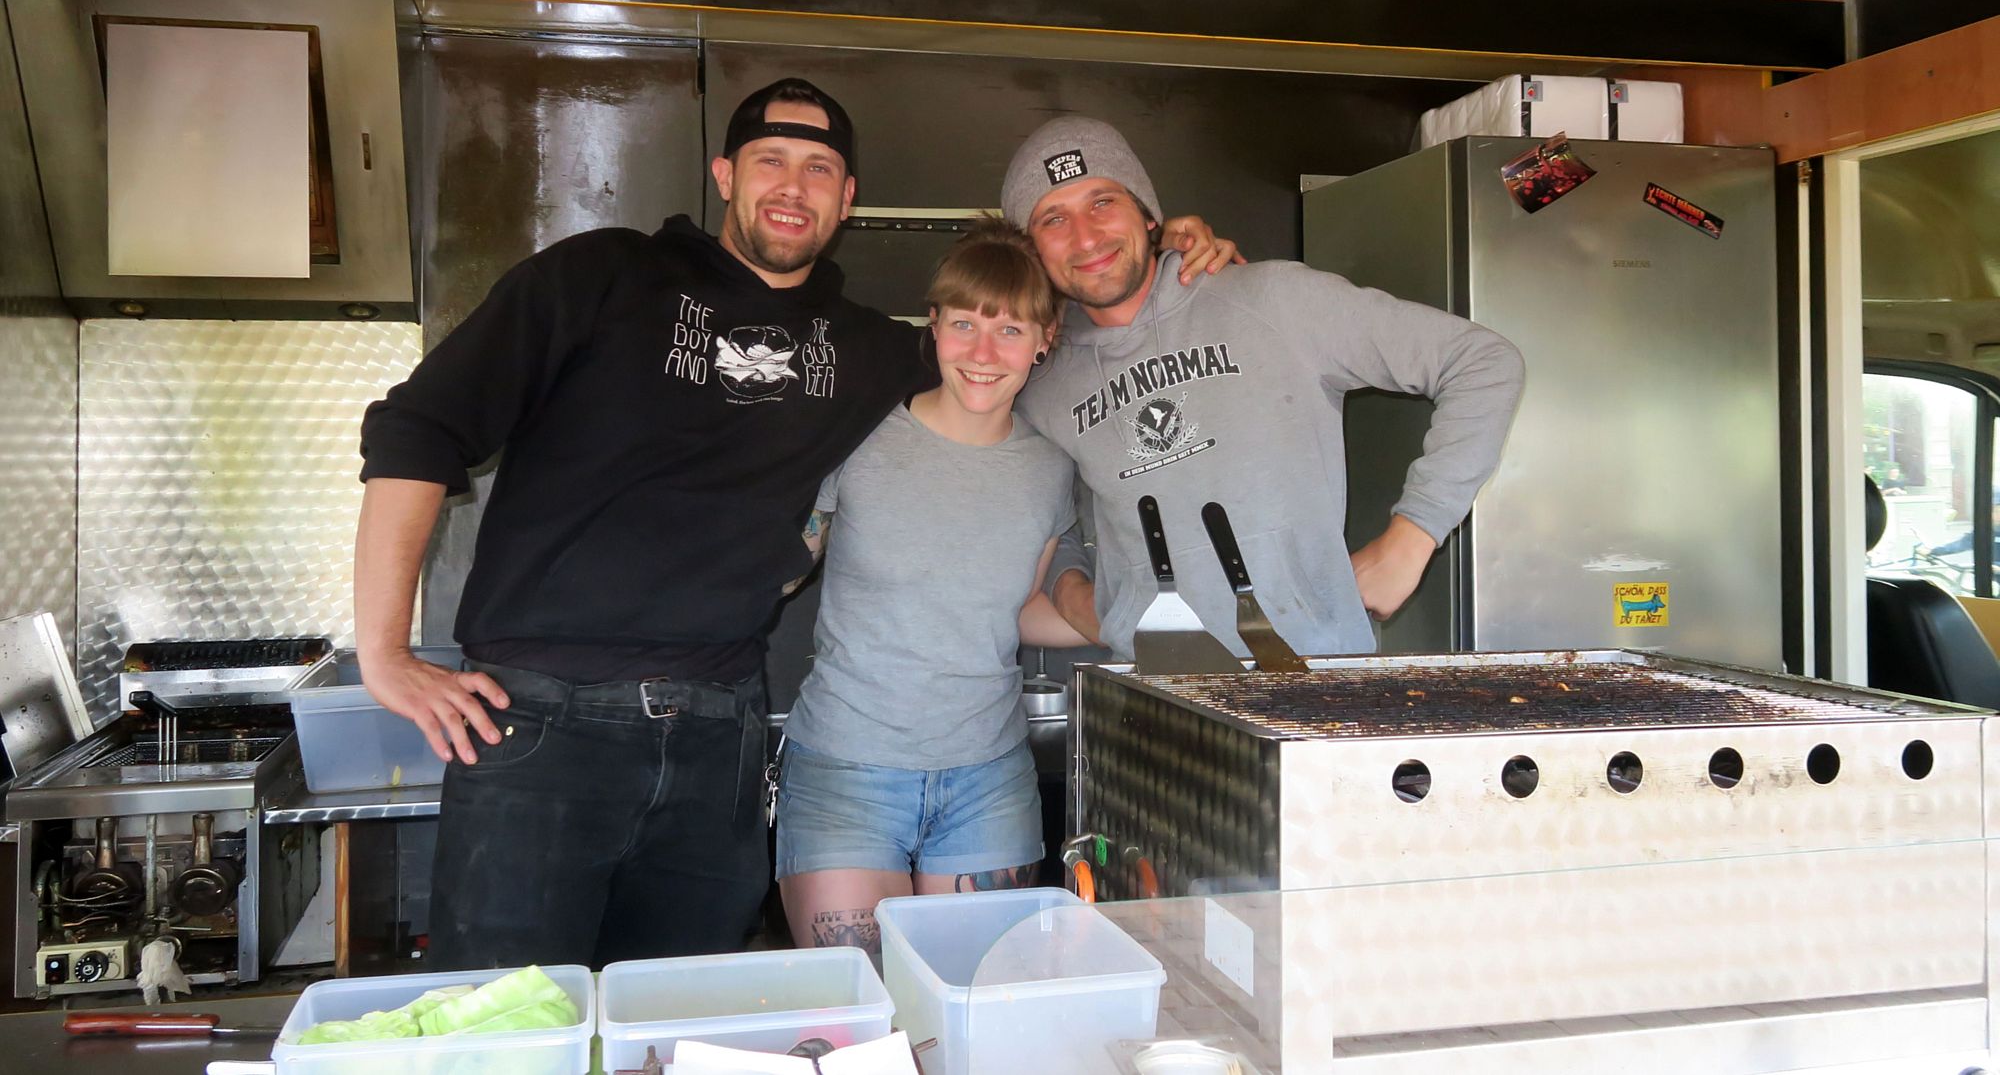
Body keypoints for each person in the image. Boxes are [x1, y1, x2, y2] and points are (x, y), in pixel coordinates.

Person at [354, 79, 1238, 969]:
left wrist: (1167, 262)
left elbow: (1012, 337)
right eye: (770, 160)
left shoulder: (866, 351)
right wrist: (384, 652)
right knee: (505, 1016)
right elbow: (418, 427)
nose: (792, 185)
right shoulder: (602, 275)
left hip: (718, 732)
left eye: (818, 168)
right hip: (544, 718)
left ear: (846, 197)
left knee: (681, 1016)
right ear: (724, 175)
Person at [999, 116, 1526, 660]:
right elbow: (1050, 514)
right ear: (1032, 249)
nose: (1086, 236)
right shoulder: (1040, 380)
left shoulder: (1273, 299)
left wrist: (1412, 536)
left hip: (1315, 680)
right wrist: (1071, 592)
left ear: (1147, 213)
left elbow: (1483, 362)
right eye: (1053, 218)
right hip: (1153, 691)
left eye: (1103, 201)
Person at [773, 220, 1087, 955]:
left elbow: (1020, 609)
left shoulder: (1050, 469)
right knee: (862, 1002)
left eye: (1010, 329)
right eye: (964, 323)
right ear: (935, 324)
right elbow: (780, 568)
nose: (983, 353)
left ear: (1044, 339)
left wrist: (1122, 615)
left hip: (987, 779)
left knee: (974, 1003)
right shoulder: (860, 436)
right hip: (845, 768)